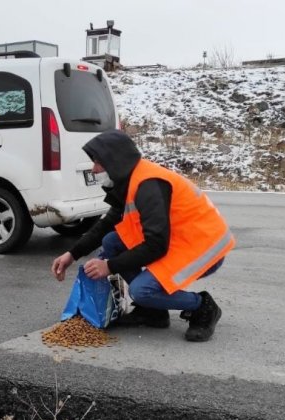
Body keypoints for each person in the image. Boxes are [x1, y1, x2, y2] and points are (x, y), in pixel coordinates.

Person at [51, 130, 235, 342]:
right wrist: (72, 255)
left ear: (114, 162)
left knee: (141, 291)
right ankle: (153, 312)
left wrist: (109, 266)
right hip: (176, 240)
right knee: (112, 241)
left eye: (98, 163)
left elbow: (156, 245)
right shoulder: (129, 180)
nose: (94, 170)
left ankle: (202, 306)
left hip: (202, 249)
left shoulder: (148, 185)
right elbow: (107, 224)